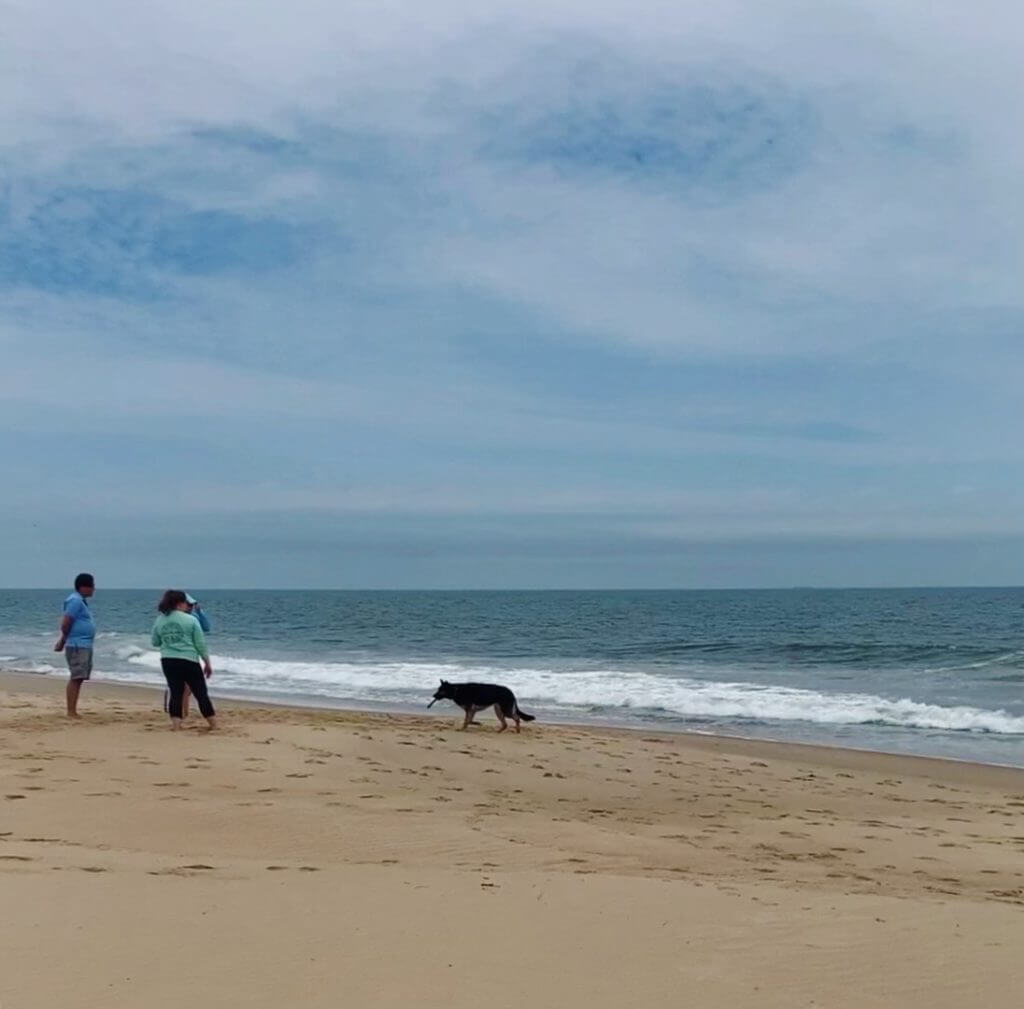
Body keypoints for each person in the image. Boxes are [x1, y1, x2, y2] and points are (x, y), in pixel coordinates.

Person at [152, 589, 217, 731]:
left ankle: (176, 725)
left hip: (168, 660)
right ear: (180, 603)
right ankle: (213, 723)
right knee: (201, 693)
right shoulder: (191, 620)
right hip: (189, 660)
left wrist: (169, 641)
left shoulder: (160, 619)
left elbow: (155, 642)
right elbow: (200, 644)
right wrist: (207, 663)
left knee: (176, 693)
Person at [54, 573, 96, 719]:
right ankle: (71, 711)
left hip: (83, 644)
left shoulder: (81, 601)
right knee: (76, 677)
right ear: (84, 587)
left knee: (80, 677)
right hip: (78, 644)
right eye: (92, 586)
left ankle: (73, 709)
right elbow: (66, 622)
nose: (94, 589)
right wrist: (63, 640)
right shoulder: (75, 601)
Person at [165, 593, 211, 718]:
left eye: (193, 604)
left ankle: (183, 713)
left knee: (186, 689)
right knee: (185, 689)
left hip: (191, 655)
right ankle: (184, 714)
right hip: (182, 656)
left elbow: (206, 628)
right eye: (189, 604)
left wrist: (200, 612)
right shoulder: (175, 618)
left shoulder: (193, 617)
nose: (191, 607)